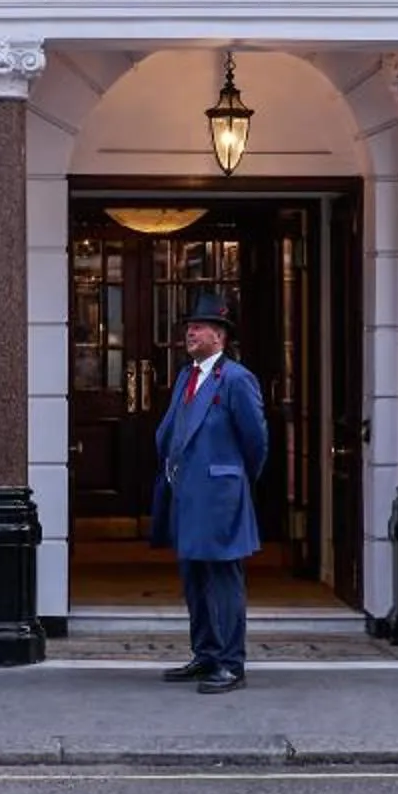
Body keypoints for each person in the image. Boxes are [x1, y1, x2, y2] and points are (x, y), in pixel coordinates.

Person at [149, 290, 267, 694]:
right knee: (194, 579)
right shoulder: (186, 376)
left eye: (197, 327)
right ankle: (206, 654)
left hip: (219, 496)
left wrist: (232, 480)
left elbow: (256, 442)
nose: (189, 333)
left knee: (222, 580)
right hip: (185, 494)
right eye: (188, 327)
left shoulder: (236, 379)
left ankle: (231, 664)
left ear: (219, 335)